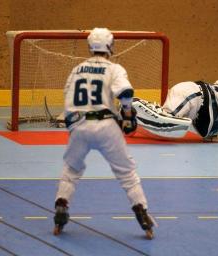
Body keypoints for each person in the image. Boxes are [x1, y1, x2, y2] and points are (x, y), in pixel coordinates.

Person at [53, 28, 155, 239]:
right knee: (127, 174)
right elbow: (126, 93)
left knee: (71, 170)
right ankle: (143, 215)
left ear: (90, 46)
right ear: (110, 46)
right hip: (106, 125)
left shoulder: (77, 69)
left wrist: (74, 128)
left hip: (79, 125)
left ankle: (61, 208)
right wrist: (127, 114)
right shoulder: (114, 68)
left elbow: (67, 99)